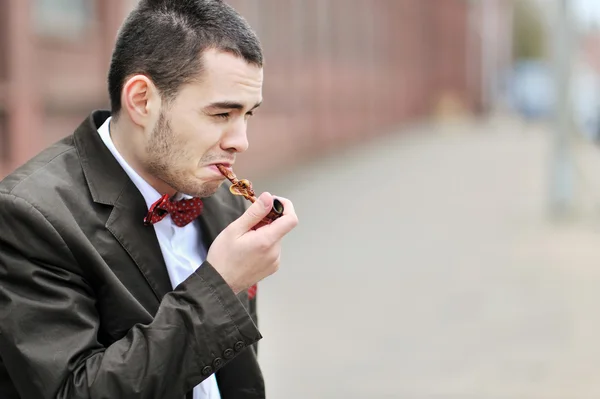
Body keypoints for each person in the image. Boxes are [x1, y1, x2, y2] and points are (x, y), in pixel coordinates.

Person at [0, 0, 298, 398]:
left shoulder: (222, 201)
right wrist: (221, 285)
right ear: (142, 100)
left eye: (248, 115)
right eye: (221, 115)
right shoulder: (29, 215)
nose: (240, 141)